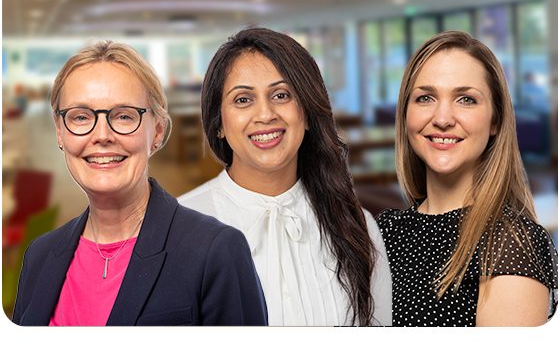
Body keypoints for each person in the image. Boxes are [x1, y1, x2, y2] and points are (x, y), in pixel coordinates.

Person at [11, 40, 268, 326]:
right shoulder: (39, 256)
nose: (102, 135)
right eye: (81, 117)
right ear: (60, 133)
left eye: (123, 116)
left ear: (157, 131)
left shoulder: (215, 251)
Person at [178, 27, 391, 326]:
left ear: (306, 114)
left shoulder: (358, 225)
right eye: (242, 100)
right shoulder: (178, 227)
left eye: (281, 95)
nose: (265, 114)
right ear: (218, 125)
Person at [376, 31, 558, 326]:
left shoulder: (512, 243)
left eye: (466, 99)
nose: (443, 118)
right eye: (425, 98)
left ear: (495, 120)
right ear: (405, 114)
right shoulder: (384, 230)